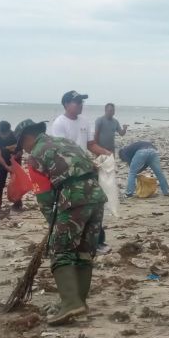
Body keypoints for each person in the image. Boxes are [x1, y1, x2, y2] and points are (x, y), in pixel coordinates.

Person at [14, 119, 107, 324]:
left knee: (60, 249)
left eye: (22, 145)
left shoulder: (36, 155)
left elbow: (45, 197)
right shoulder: (67, 143)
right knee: (83, 250)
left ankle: (71, 303)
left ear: (27, 138)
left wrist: (53, 223)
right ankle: (78, 301)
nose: (25, 150)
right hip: (97, 197)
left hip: (73, 199)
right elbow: (92, 166)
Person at [51, 91, 111, 253]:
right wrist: (86, 162)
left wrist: (105, 153)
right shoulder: (59, 123)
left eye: (81, 102)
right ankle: (72, 242)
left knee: (97, 204)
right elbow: (62, 152)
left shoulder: (84, 121)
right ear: (66, 105)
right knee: (76, 208)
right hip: (71, 175)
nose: (80, 105)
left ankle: (97, 241)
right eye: (76, 102)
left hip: (88, 171)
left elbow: (91, 144)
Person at [0, 121, 20, 209]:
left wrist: (16, 156)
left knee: (17, 183)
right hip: (2, 162)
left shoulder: (15, 136)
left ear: (9, 130)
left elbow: (20, 151)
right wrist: (7, 167)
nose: (3, 135)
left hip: (15, 161)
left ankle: (18, 202)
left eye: (5, 134)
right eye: (1, 134)